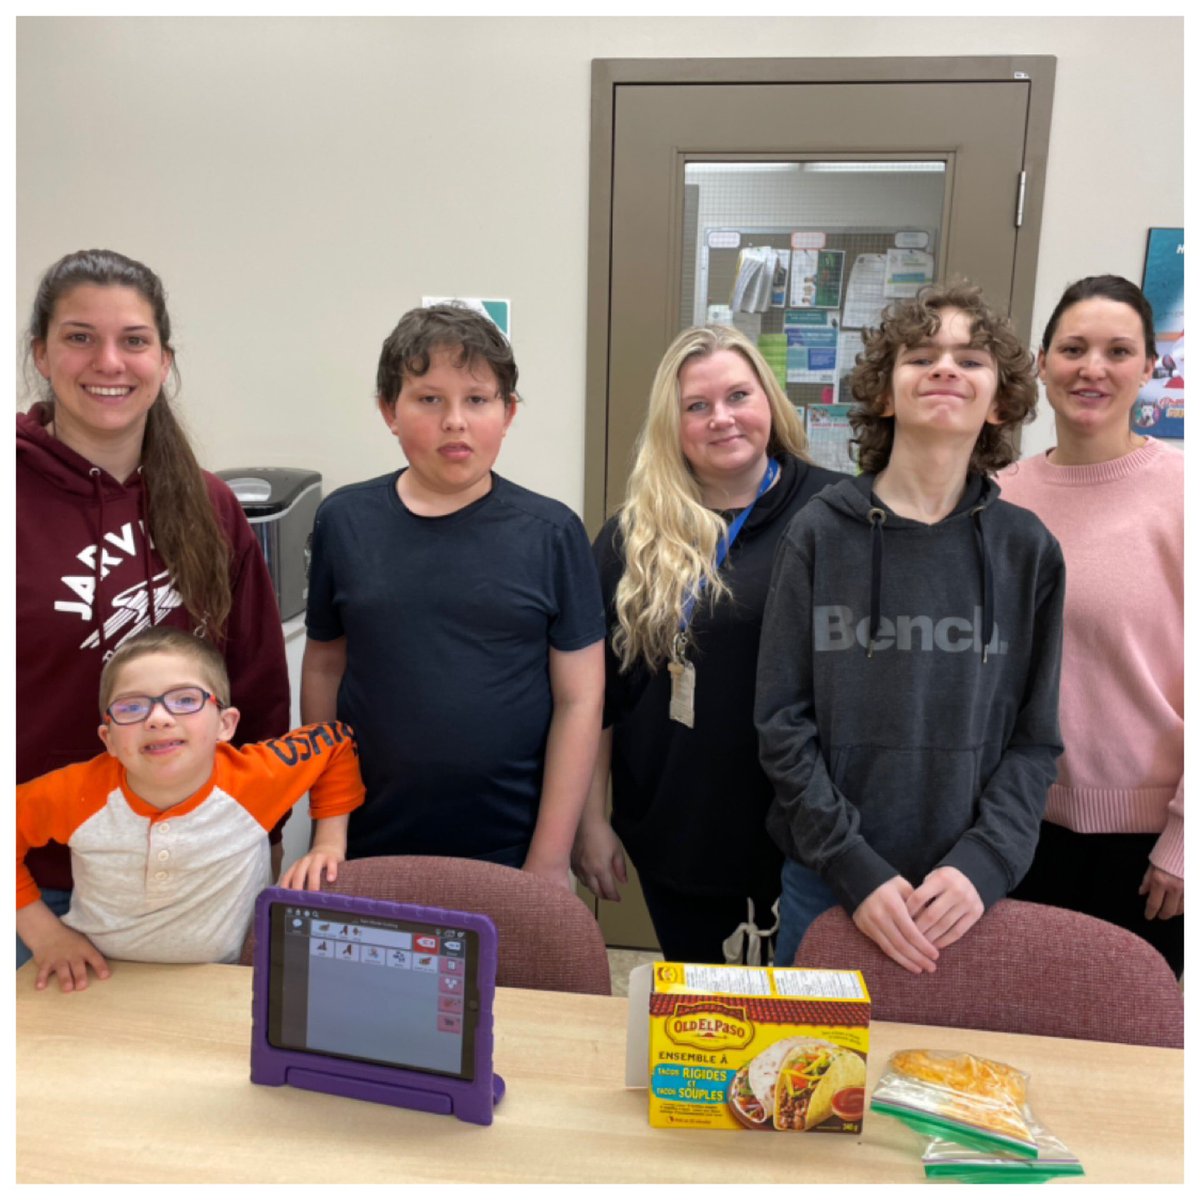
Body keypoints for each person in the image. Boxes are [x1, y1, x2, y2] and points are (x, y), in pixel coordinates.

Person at [755, 281, 1065, 973]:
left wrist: (984, 864)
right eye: (922, 354)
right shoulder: (819, 534)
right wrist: (851, 864)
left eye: (972, 358)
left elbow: (1035, 742)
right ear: (886, 394)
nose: (947, 367)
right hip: (828, 879)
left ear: (1001, 404)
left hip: (967, 893)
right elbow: (782, 725)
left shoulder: (1028, 550)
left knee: (943, 1082)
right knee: (807, 1077)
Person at [17, 250, 291, 968]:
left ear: (164, 360)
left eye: (134, 340)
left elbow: (256, 685)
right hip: (39, 889)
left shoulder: (209, 505)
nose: (109, 361)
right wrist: (35, 927)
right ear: (41, 353)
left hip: (199, 880)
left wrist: (265, 834)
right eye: (80, 337)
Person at [301, 303, 605, 889]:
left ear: (508, 412)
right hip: (368, 839)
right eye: (428, 399)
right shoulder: (344, 520)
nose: (455, 421)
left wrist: (549, 857)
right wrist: (328, 826)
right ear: (389, 410)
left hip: (511, 845)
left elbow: (580, 701)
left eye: (477, 399)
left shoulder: (551, 533)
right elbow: (324, 670)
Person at [572, 325, 844, 964]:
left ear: (770, 404)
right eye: (697, 406)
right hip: (677, 831)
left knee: (794, 1034)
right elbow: (599, 698)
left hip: (804, 837)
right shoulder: (632, 535)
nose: (721, 418)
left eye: (738, 396)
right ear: (674, 423)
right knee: (706, 1034)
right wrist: (591, 821)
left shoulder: (837, 512)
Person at [1001, 275, 1183, 977]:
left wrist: (1183, 841)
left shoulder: (1180, 496)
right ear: (1042, 362)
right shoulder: (1000, 497)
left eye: (1117, 350)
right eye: (1073, 348)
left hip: (1144, 851)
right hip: (1016, 830)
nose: (1093, 369)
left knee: (1126, 1054)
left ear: (1149, 367)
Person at [16, 628, 364, 992]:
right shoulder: (77, 794)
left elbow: (334, 743)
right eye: (132, 707)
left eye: (184, 700)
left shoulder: (257, 778)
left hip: (230, 980)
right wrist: (44, 934)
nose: (158, 718)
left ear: (225, 724)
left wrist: (328, 843)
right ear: (109, 740)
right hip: (100, 978)